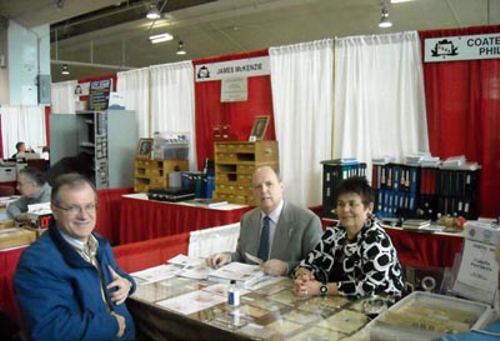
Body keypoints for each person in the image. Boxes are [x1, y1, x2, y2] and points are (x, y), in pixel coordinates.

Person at [14, 173, 136, 341]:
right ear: (55, 211)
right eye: (73, 208)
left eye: (89, 206)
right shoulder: (38, 262)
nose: (84, 216)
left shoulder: (99, 243)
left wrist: (128, 283)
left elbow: (116, 274)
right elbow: (49, 330)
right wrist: (112, 325)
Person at [294, 176, 404, 299]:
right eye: (341, 204)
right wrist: (303, 278)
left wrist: (321, 288)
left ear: (369, 208)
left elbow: (370, 287)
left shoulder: (377, 240)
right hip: (337, 303)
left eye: (352, 204)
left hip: (378, 306)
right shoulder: (335, 231)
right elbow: (309, 262)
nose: (345, 210)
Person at [207, 166, 323, 276]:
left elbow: (318, 265)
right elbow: (243, 257)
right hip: (250, 288)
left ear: (281, 187)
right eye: (258, 186)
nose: (263, 190)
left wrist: (286, 267)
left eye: (269, 184)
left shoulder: (307, 221)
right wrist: (228, 257)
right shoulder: (247, 219)